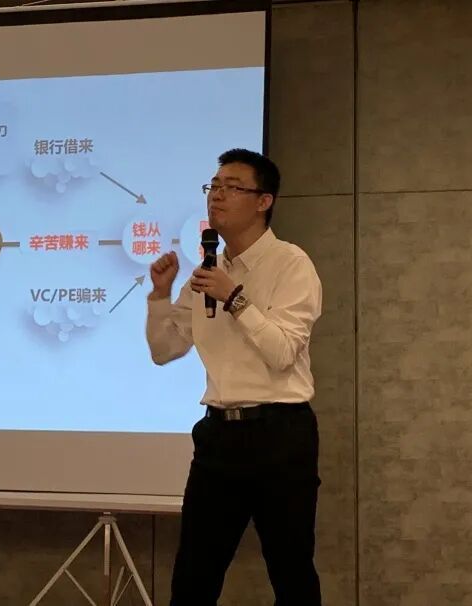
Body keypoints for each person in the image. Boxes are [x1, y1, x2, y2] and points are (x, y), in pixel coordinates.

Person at [145, 148, 323, 605]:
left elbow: (283, 352)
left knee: (290, 570)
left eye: (232, 187)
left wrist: (236, 299)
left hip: (279, 433)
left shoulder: (291, 263)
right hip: (219, 436)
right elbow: (165, 350)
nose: (217, 196)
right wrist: (160, 296)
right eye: (214, 186)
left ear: (264, 201)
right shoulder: (208, 273)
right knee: (193, 575)